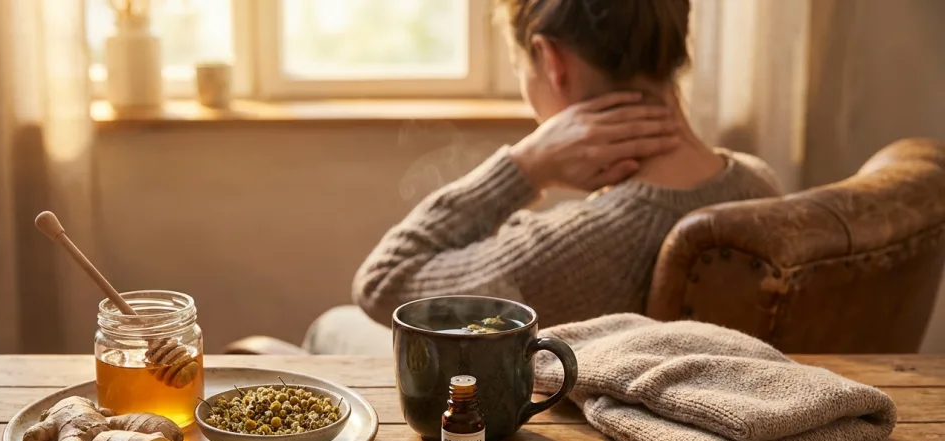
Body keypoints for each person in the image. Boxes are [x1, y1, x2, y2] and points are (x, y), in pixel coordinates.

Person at [304, 0, 782, 355]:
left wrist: (525, 167)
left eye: (519, 68)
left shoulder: (574, 248)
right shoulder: (760, 186)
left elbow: (383, 282)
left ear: (550, 61)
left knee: (333, 326)